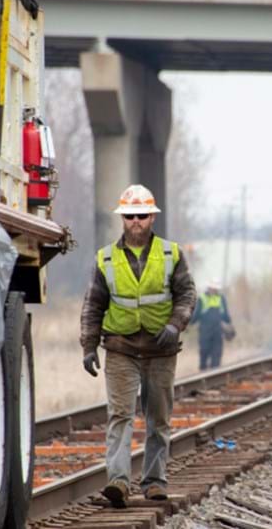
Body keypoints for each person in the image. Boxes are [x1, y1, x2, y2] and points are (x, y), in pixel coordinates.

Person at [79, 184, 196, 508]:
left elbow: (187, 295)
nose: (135, 221)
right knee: (120, 415)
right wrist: (89, 347)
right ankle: (118, 481)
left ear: (152, 217)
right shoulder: (105, 259)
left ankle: (155, 482)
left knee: (158, 418)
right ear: (122, 219)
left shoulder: (172, 254)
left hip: (161, 350)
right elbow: (93, 306)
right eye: (129, 216)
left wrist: (175, 325)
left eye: (141, 215)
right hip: (121, 349)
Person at [191, 280, 233, 371]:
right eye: (212, 288)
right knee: (204, 353)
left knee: (216, 356)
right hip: (205, 332)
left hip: (218, 331)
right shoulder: (202, 298)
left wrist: (229, 325)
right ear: (209, 288)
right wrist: (189, 323)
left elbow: (225, 314)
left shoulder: (221, 298)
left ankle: (215, 376)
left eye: (215, 288)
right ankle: (203, 374)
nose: (214, 290)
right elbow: (196, 314)